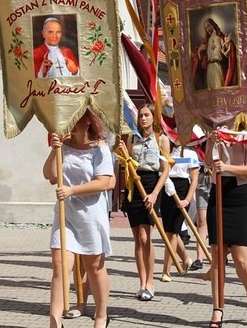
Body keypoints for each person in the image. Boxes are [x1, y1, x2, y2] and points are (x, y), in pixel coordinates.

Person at [43, 107, 114, 328]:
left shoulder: (100, 149)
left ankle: (101, 315)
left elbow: (106, 182)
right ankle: (54, 323)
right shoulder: (64, 146)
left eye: (75, 119)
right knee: (60, 265)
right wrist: (55, 149)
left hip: (91, 214)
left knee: (94, 266)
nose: (70, 124)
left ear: (87, 122)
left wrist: (72, 190)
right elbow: (50, 175)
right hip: (66, 213)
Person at [206, 127, 247, 328]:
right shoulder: (216, 133)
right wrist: (211, 141)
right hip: (218, 194)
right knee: (218, 256)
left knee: (240, 257)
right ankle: (217, 309)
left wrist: (226, 167)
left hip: (240, 196)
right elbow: (208, 163)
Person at [118, 103, 170, 301]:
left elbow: (165, 169)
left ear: (153, 117)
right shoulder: (132, 138)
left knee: (145, 236)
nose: (144, 119)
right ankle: (142, 282)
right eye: (141, 115)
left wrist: (156, 193)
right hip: (135, 187)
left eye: (147, 115)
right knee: (137, 239)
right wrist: (124, 155)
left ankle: (151, 281)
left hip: (151, 185)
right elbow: (128, 163)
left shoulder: (161, 139)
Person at [159, 142, 200, 281]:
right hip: (166, 189)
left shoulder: (190, 153)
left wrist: (187, 200)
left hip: (182, 190)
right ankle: (185, 258)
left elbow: (194, 179)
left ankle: (167, 270)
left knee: (171, 233)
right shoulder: (164, 149)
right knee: (171, 232)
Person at [192, 18, 238, 91]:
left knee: (219, 88)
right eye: (205, 28)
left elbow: (227, 54)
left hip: (217, 67)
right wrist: (200, 50)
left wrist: (227, 44)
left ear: (213, 25)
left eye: (208, 26)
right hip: (209, 68)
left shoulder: (220, 38)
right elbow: (199, 58)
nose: (207, 29)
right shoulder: (206, 41)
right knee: (210, 91)